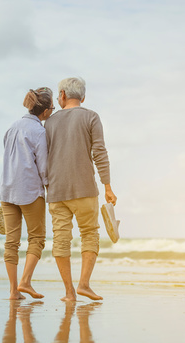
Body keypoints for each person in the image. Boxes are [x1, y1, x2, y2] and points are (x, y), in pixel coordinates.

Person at [43, 77, 117, 301]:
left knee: (61, 239)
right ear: (82, 97)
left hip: (57, 191)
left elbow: (42, 158)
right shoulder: (91, 116)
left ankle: (69, 292)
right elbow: (100, 153)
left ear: (63, 95)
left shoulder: (50, 123)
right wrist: (108, 186)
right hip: (85, 188)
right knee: (89, 234)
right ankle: (84, 284)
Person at [0, 87, 54, 300]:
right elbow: (43, 166)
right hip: (29, 190)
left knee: (11, 241)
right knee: (37, 238)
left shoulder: (12, 127)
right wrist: (49, 187)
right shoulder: (39, 131)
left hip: (6, 189)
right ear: (46, 111)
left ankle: (13, 291)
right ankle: (26, 282)